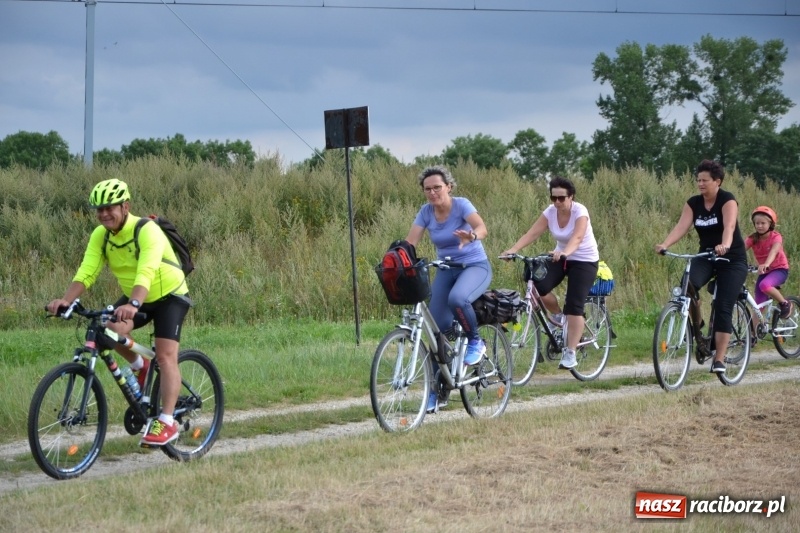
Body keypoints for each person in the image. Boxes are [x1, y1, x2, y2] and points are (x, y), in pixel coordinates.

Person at [47, 178, 192, 446]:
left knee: (165, 355)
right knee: (109, 329)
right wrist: (66, 300)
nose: (103, 214)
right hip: (137, 295)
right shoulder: (100, 236)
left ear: (125, 206)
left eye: (109, 208)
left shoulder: (147, 230)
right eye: (99, 210)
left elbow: (147, 270)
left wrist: (133, 304)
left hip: (169, 294)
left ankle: (167, 421)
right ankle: (140, 366)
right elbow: (87, 271)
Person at [404, 165, 492, 413]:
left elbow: (482, 228)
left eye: (437, 188)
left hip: (474, 266)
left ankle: (475, 341)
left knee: (458, 298)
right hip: (446, 269)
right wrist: (398, 257)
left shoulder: (462, 205)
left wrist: (471, 236)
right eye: (427, 189)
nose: (432, 193)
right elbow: (410, 242)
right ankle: (438, 392)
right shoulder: (426, 212)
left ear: (449, 187)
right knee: (436, 331)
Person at [655, 159, 748, 374]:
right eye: (698, 180)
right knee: (687, 286)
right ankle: (698, 326)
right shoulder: (693, 203)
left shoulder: (727, 200)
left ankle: (719, 359)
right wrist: (665, 244)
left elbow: (729, 226)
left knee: (723, 306)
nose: (700, 184)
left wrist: (725, 245)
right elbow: (681, 226)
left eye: (705, 180)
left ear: (718, 181)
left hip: (731, 259)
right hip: (706, 255)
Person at [501, 176, 599, 370]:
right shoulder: (550, 212)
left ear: (571, 197)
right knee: (538, 285)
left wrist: (565, 252)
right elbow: (532, 233)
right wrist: (513, 250)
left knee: (574, 305)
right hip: (559, 257)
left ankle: (570, 352)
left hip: (584, 260)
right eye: (553, 198)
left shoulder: (580, 211)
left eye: (561, 198)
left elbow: (578, 237)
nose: (557, 202)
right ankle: (558, 316)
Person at [745, 206, 792, 320]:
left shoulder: (776, 237)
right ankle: (753, 331)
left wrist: (766, 263)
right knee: (757, 306)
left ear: (770, 224)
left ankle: (785, 303)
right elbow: (739, 249)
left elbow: (774, 251)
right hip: (765, 272)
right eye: (757, 223)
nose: (759, 226)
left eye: (763, 223)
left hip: (779, 269)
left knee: (764, 285)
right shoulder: (753, 238)